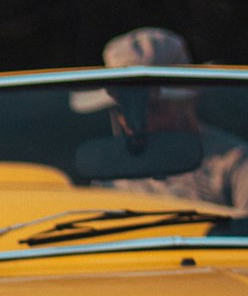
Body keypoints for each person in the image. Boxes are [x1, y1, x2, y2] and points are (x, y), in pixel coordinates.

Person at [71, 27, 248, 210]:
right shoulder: (111, 173)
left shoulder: (234, 163)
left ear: (188, 100)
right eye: (124, 109)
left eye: (154, 107)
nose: (135, 123)